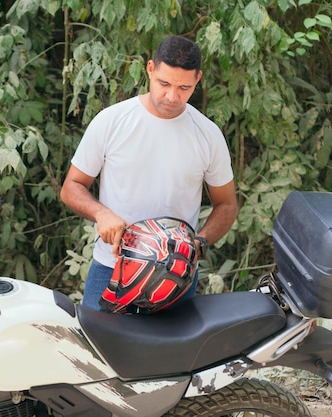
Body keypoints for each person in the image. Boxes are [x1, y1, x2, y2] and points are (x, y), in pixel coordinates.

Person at [60, 35, 238, 311]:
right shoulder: (112, 121)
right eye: (164, 84)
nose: (171, 96)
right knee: (94, 352)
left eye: (184, 88)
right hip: (113, 268)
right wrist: (101, 213)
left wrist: (198, 245)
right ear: (150, 69)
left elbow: (226, 205)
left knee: (175, 355)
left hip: (176, 276)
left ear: (198, 79)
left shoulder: (208, 134)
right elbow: (71, 186)